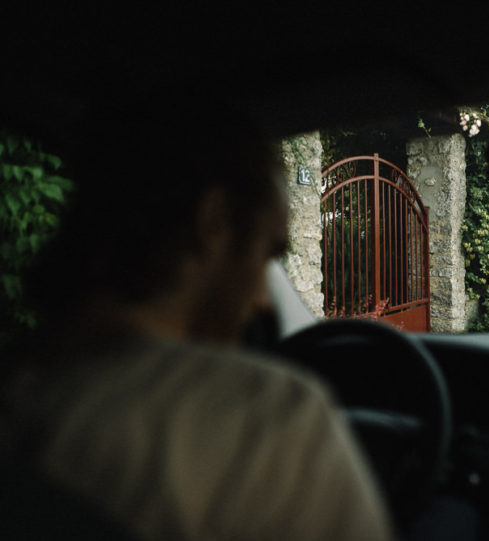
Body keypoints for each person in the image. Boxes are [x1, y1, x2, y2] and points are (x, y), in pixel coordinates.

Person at [0, 95, 394, 541]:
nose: (264, 301)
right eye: (266, 255)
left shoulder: (20, 387)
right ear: (214, 221)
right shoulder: (271, 416)